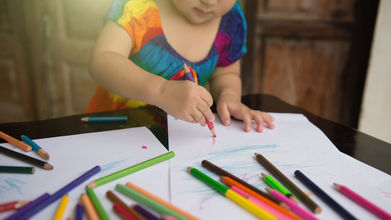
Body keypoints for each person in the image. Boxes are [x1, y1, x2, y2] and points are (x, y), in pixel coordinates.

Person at [86, 0, 275, 132]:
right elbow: (103, 60)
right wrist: (161, 91)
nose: (209, 1)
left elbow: (227, 73)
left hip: (178, 137)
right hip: (115, 127)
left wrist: (230, 96)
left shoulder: (231, 18)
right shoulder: (138, 7)